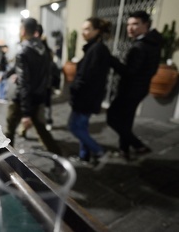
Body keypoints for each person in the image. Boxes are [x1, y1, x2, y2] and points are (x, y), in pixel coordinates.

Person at [107, 11, 162, 160]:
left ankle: (138, 145)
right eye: (129, 24)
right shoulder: (152, 43)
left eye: (135, 24)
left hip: (130, 90)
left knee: (112, 118)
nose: (130, 28)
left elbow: (128, 72)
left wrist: (112, 60)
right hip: (139, 88)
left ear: (146, 25)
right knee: (126, 121)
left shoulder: (140, 46)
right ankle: (124, 150)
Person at [4, 17, 62, 156]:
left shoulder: (23, 51)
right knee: (42, 131)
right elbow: (45, 75)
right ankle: (59, 159)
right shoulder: (44, 49)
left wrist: (26, 112)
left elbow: (24, 83)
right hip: (38, 97)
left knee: (9, 131)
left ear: (23, 31)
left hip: (22, 100)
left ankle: (7, 161)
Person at [68, 17, 112, 165]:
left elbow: (88, 77)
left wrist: (74, 89)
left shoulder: (97, 49)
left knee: (74, 127)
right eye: (83, 29)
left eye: (87, 29)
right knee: (82, 127)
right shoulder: (94, 48)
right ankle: (84, 156)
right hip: (88, 97)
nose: (83, 32)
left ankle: (100, 152)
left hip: (85, 98)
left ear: (97, 31)